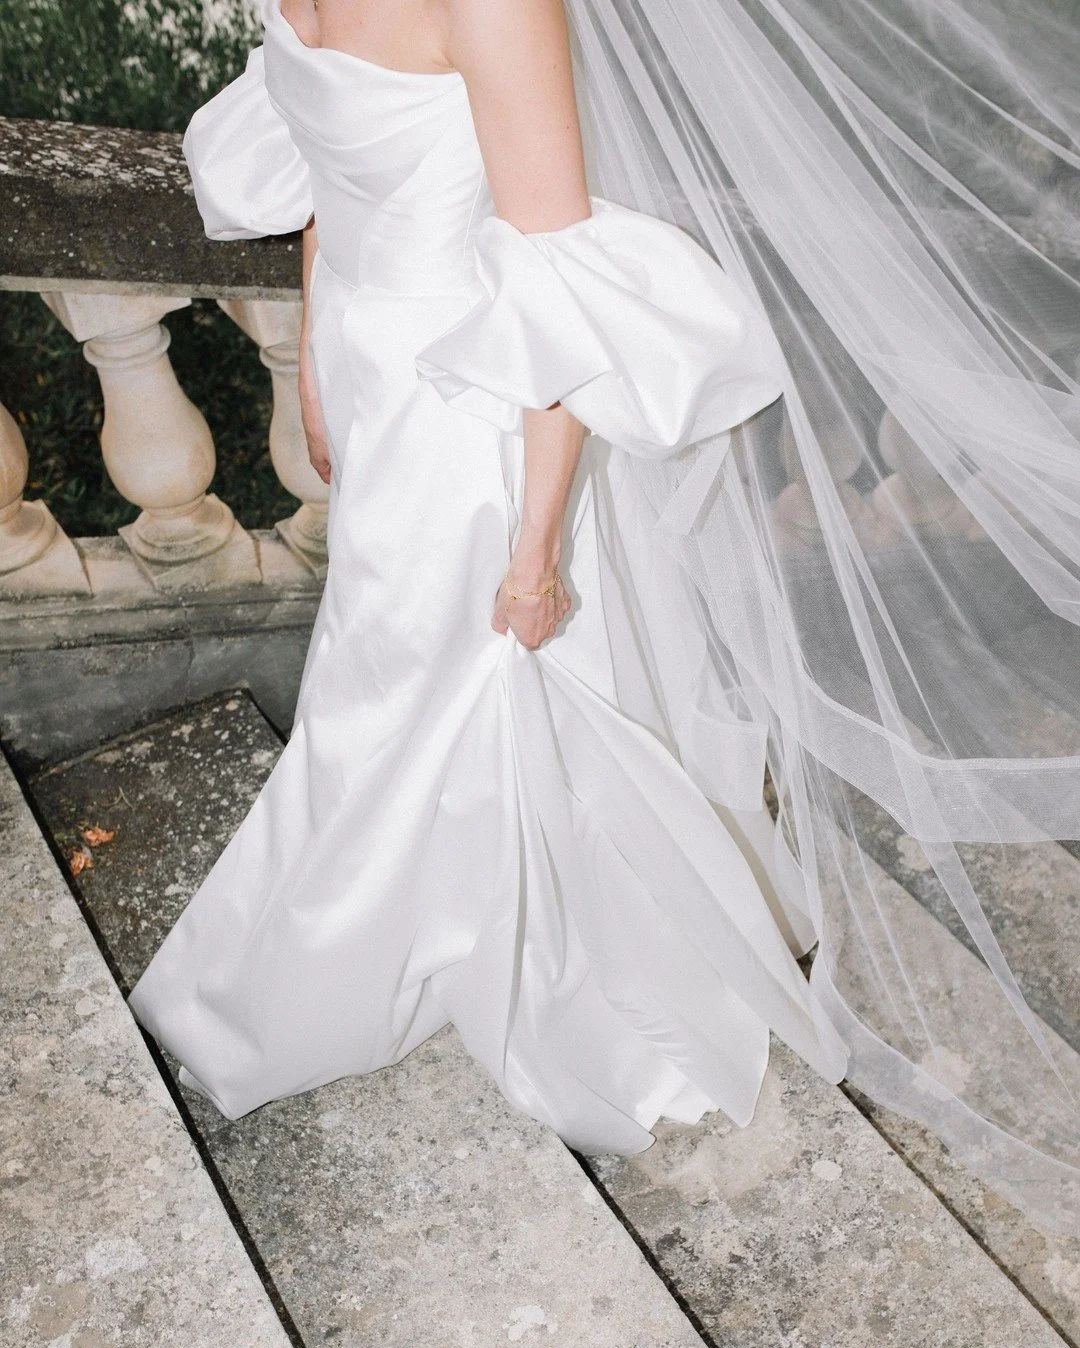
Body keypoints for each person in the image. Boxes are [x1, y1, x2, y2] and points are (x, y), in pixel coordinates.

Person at [131, 0, 1080, 1231]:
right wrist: (496, 516)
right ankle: (398, 921)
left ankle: (373, 938)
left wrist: (516, 531)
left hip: (448, 393)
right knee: (408, 674)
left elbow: (478, 260)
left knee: (421, 678)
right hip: (434, 382)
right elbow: (502, 261)